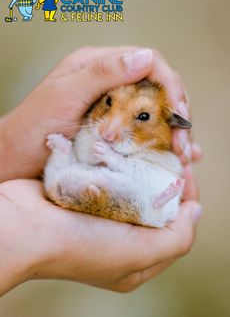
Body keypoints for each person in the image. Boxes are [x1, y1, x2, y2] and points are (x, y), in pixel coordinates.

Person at [0, 46, 202, 296]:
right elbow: (84, 154)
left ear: (170, 123)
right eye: (109, 102)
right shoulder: (89, 129)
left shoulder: (158, 153)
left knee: (158, 194)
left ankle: (137, 197)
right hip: (86, 184)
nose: (109, 131)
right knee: (66, 168)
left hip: (131, 197)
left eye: (142, 116)